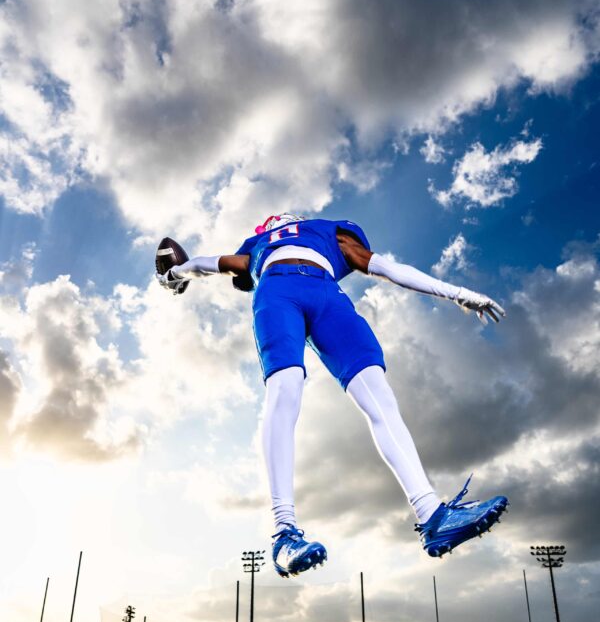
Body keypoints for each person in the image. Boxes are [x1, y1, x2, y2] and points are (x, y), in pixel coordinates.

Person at [156, 214, 508, 578]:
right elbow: (212, 264)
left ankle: (432, 515)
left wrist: (175, 274)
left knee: (379, 397)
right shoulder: (272, 244)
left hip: (321, 296)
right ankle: (283, 533)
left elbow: (204, 264)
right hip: (283, 294)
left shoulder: (301, 237)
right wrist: (176, 273)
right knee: (285, 389)